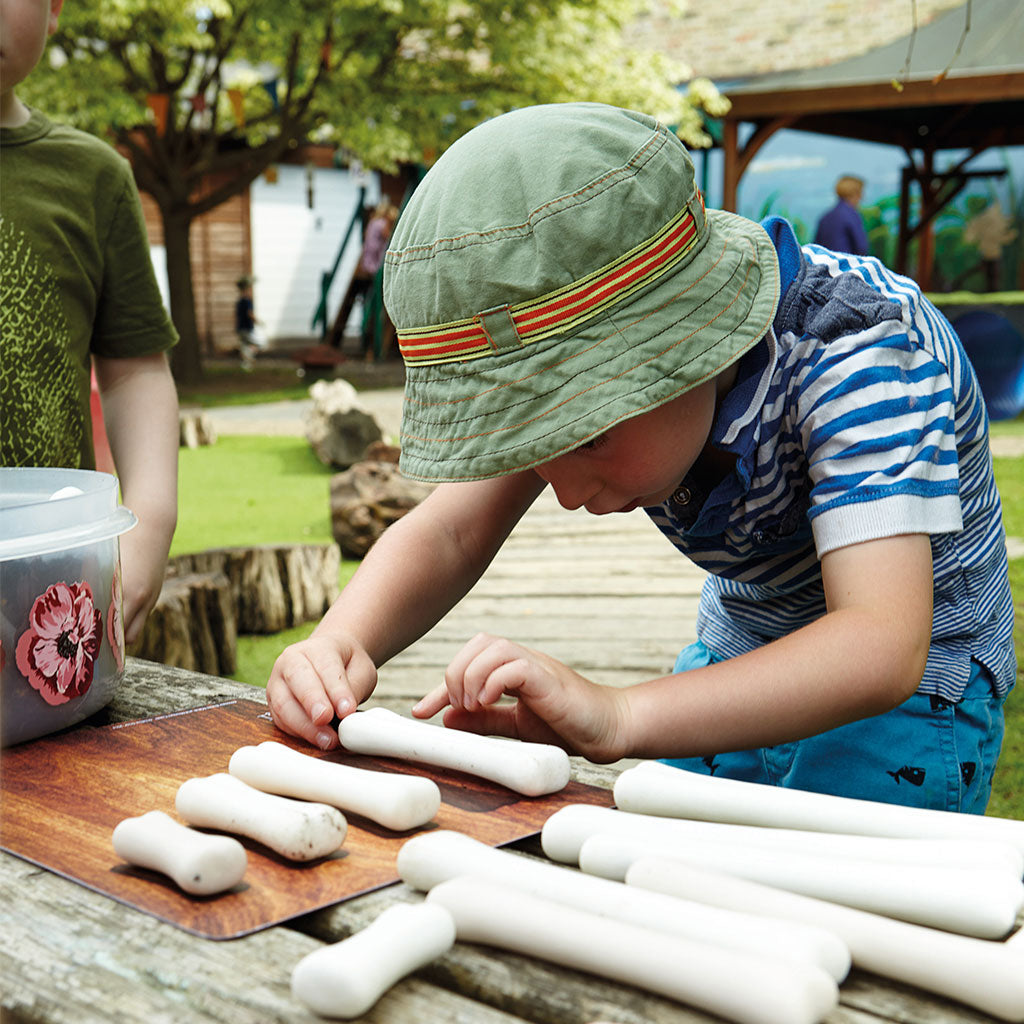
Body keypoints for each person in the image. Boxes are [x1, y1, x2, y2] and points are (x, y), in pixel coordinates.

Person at [266, 103, 1014, 813]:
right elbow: (450, 531)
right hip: (741, 646)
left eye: (586, 436)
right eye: (533, 450)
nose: (558, 490)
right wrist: (338, 642)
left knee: (845, 924)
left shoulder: (858, 348)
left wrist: (619, 714)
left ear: (695, 343)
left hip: (919, 691)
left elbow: (880, 645)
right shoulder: (578, 353)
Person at [1, 0, 179, 646]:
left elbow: (135, 372)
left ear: (53, 9)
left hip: (48, 606)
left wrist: (150, 524)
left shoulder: (94, 178)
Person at [329, 200, 398, 356]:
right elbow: (389, 238)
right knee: (373, 309)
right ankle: (371, 346)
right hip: (374, 266)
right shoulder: (382, 225)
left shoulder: (373, 222)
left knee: (367, 305)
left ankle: (367, 341)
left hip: (365, 265)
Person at [814, 174, 870, 256]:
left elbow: (816, 246)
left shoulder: (825, 217)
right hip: (847, 265)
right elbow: (861, 247)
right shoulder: (852, 215)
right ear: (857, 193)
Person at [234, 275, 263, 370]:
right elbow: (249, 313)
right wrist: (257, 321)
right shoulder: (247, 301)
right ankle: (248, 359)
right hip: (246, 327)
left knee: (244, 345)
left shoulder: (239, 301)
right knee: (257, 344)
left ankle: (246, 364)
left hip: (240, 327)